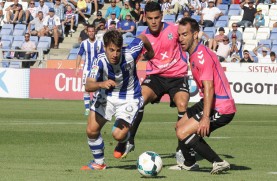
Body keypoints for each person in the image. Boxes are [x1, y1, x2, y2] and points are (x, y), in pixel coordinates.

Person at [113, 2, 190, 160]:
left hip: (177, 76)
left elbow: (189, 40)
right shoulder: (143, 37)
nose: (154, 21)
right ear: (145, 18)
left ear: (161, 16)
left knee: (182, 105)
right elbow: (132, 56)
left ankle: (182, 149)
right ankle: (129, 140)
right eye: (150, 18)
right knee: (138, 100)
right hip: (155, 77)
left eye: (156, 18)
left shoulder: (174, 30)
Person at [170, 17, 236, 174]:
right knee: (179, 126)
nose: (180, 39)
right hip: (211, 101)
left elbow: (209, 87)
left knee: (183, 132)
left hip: (221, 106)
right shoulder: (193, 54)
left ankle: (218, 162)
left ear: (195, 35)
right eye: (179, 35)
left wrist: (205, 117)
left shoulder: (201, 56)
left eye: (185, 34)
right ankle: (189, 163)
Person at [80, 30, 154, 170]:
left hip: (130, 97)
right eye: (111, 50)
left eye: (118, 50)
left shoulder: (131, 53)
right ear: (105, 47)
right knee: (91, 130)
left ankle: (126, 141)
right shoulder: (99, 60)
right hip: (106, 95)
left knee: (118, 135)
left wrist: (151, 53)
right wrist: (101, 84)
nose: (115, 54)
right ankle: (99, 163)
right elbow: (88, 85)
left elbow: (143, 37)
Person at [76, 25, 103, 116]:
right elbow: (79, 55)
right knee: (86, 89)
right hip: (86, 69)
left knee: (96, 89)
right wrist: (77, 67)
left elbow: (103, 56)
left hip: (96, 69)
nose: (91, 33)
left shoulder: (100, 43)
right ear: (87, 32)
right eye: (89, 31)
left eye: (93, 31)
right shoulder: (84, 43)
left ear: (95, 32)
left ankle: (93, 107)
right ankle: (87, 109)